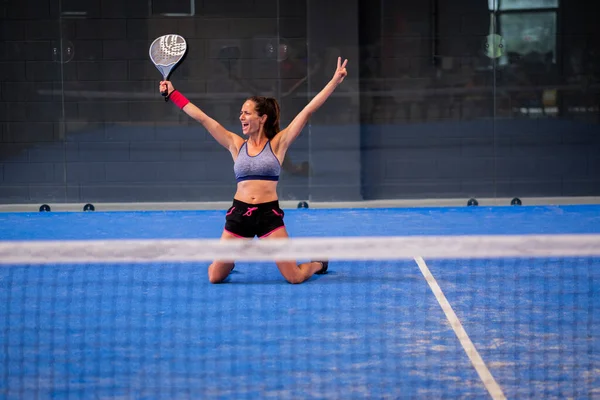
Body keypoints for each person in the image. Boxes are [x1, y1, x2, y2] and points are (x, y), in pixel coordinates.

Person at [160, 56, 349, 284]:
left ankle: (319, 262)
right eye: (241, 112)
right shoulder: (235, 144)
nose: (241, 117)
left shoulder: (278, 143)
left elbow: (307, 111)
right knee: (214, 276)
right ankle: (229, 262)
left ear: (262, 118)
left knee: (295, 277)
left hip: (268, 216)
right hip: (239, 215)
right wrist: (173, 94)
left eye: (247, 113)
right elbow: (203, 118)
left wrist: (334, 82)